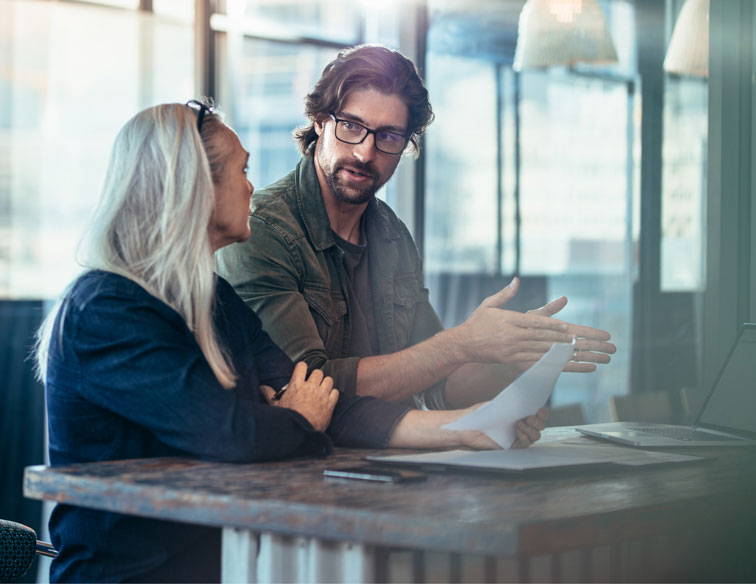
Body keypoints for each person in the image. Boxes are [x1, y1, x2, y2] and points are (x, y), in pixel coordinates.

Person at [34, 101, 546, 583]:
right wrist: (297, 417)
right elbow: (231, 433)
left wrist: (471, 427)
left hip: (224, 566)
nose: (252, 187)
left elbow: (328, 401)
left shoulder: (215, 299)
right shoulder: (106, 309)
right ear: (194, 186)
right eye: (240, 171)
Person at [216, 44, 617, 410]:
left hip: (390, 465)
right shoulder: (262, 229)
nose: (364, 152)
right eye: (351, 126)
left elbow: (437, 384)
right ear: (320, 122)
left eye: (388, 136)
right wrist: (461, 343)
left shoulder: (392, 236)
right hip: (296, 469)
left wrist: (511, 354)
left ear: (406, 145)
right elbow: (305, 387)